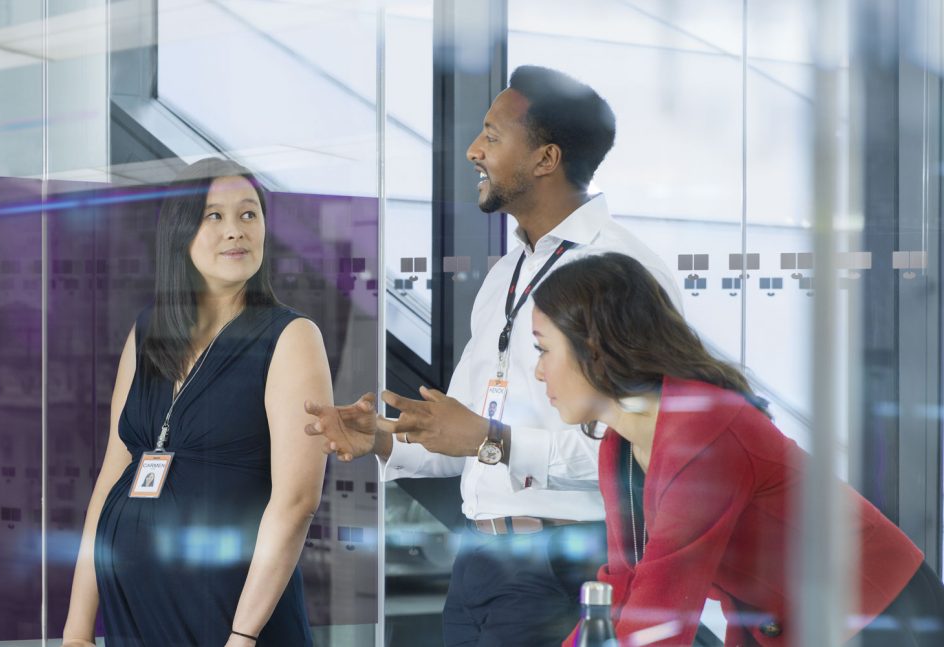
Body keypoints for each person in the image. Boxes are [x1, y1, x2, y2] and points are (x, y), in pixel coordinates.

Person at [306, 66, 682, 645]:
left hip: (570, 564)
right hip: (478, 561)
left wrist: (491, 437)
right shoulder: (505, 274)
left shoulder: (624, 272)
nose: (473, 150)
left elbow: (643, 443)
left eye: (492, 134)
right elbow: (464, 436)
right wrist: (381, 438)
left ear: (545, 158)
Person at [529, 252, 944, 646]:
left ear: (594, 347)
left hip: (875, 615)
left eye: (543, 349)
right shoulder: (620, 444)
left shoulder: (703, 433)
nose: (538, 371)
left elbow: (661, 610)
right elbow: (623, 587)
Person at [62, 158, 331, 646]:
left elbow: (296, 503)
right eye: (215, 216)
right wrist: (77, 630)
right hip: (136, 620)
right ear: (181, 231)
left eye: (249, 215)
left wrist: (242, 637)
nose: (236, 231)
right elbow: (111, 475)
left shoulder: (290, 337)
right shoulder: (148, 334)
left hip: (229, 619)